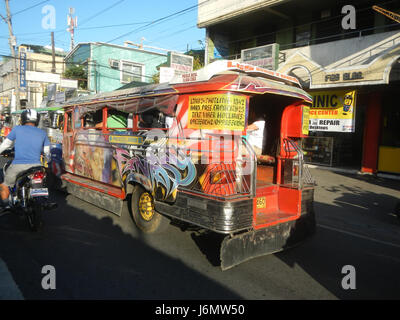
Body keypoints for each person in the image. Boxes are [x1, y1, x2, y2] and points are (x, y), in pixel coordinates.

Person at [0, 109, 50, 208]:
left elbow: (6, 144)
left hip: (18, 166)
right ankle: (42, 200)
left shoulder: (17, 129)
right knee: (41, 181)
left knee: (5, 184)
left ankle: (6, 205)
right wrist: (47, 162)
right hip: (37, 166)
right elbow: (47, 152)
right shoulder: (42, 133)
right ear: (37, 120)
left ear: (23, 119)